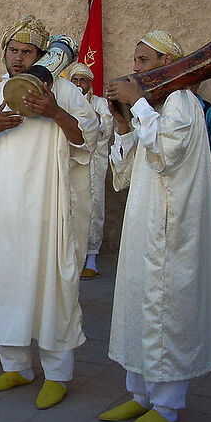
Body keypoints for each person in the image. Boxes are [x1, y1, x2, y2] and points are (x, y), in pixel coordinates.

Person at [100, 31, 211, 422]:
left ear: (168, 64)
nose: (135, 68)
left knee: (165, 310)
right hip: (144, 224)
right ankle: (139, 395)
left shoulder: (181, 102)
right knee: (139, 304)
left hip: (171, 229)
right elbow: (124, 175)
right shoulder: (157, 105)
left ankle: (167, 404)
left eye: (144, 61)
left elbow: (164, 155)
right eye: (135, 60)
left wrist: (138, 102)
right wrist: (124, 122)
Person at [0, 16, 98, 409]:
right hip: (1, 208)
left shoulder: (66, 92)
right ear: (4, 53)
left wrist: (54, 111)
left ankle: (57, 374)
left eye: (28, 53)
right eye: (13, 51)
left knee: (53, 284)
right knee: (4, 282)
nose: (19, 59)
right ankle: (15, 367)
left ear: (43, 57)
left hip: (47, 209)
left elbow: (87, 141)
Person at [68, 63, 113, 279]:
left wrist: (88, 111)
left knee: (93, 206)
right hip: (72, 163)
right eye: (75, 80)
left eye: (83, 80)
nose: (79, 84)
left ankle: (92, 257)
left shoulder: (100, 103)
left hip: (94, 165)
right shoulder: (66, 101)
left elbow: (106, 128)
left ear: (89, 84)